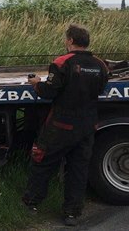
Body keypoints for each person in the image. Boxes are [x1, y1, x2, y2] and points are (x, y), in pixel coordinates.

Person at [22, 24, 109, 227]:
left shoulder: (62, 62)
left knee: (42, 162)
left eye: (66, 39)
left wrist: (36, 83)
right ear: (86, 42)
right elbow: (102, 88)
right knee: (78, 169)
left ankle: (31, 203)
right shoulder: (100, 64)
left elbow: (49, 92)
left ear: (70, 41)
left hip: (61, 124)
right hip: (87, 125)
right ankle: (72, 213)